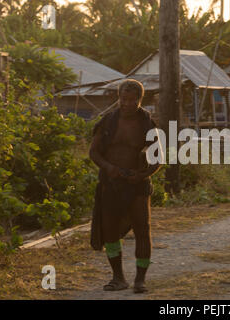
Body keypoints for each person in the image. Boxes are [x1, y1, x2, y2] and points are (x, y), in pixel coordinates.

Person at [89, 79, 162, 293]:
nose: (127, 104)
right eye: (123, 99)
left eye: (132, 100)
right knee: (110, 231)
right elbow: (94, 152)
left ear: (140, 100)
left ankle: (140, 280)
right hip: (111, 183)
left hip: (137, 185)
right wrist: (109, 167)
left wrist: (141, 175)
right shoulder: (108, 122)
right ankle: (118, 277)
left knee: (142, 229)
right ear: (118, 98)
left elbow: (158, 159)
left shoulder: (147, 124)